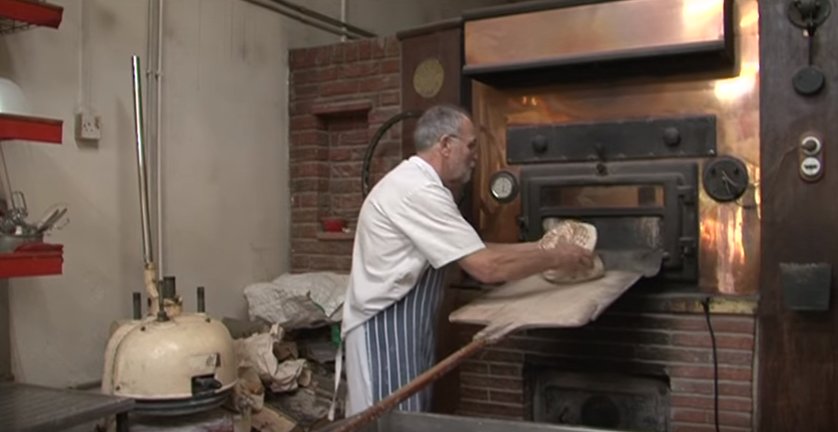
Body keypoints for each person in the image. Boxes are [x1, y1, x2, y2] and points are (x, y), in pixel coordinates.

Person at [339, 104, 593, 416]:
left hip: (405, 327)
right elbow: (487, 267)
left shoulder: (425, 185)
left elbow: (476, 249)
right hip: (384, 330)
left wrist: (544, 248)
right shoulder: (417, 191)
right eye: (471, 146)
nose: (475, 156)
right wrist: (555, 256)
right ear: (445, 145)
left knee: (408, 419)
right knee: (388, 424)